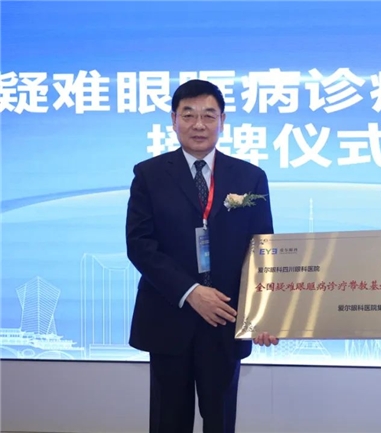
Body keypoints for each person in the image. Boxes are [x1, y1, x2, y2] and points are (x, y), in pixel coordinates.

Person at [126, 79, 276, 433]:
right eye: (188, 114)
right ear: (173, 119)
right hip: (169, 315)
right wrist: (191, 292)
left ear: (222, 121)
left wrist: (265, 313)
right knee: (168, 421)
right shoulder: (149, 174)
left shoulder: (250, 177)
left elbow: (263, 250)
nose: (199, 124)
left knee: (220, 422)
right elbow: (140, 244)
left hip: (226, 317)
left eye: (209, 115)